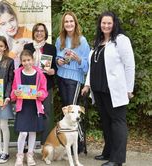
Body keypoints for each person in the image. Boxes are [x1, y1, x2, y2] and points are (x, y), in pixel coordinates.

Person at [81, 11, 135, 166]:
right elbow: (92, 66)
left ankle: (117, 160)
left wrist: (129, 88)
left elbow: (129, 65)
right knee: (106, 122)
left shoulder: (121, 40)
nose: (106, 25)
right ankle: (108, 152)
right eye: (103, 23)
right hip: (99, 89)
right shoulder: (98, 41)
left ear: (114, 23)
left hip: (115, 90)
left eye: (109, 23)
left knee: (118, 122)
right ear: (100, 24)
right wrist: (87, 84)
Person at [10, 50, 48, 166]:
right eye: (24, 60)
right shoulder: (17, 73)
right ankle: (20, 155)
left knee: (32, 132)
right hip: (23, 106)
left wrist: (41, 94)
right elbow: (13, 90)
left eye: (28, 60)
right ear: (21, 62)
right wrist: (15, 93)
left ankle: (30, 155)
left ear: (33, 60)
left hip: (34, 107)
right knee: (23, 133)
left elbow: (43, 90)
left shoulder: (40, 74)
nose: (26, 63)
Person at [24, 23, 57, 147]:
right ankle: (29, 144)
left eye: (42, 31)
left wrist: (53, 71)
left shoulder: (51, 48)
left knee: (46, 113)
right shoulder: (27, 47)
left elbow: (55, 67)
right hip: (30, 85)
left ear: (45, 33)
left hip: (46, 85)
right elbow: (23, 65)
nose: (39, 33)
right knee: (30, 112)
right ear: (33, 32)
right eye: (37, 31)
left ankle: (46, 143)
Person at [55, 11, 90, 106]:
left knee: (71, 110)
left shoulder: (82, 41)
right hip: (61, 77)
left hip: (74, 79)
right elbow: (56, 57)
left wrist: (78, 59)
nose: (69, 24)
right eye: (66, 21)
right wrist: (58, 61)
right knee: (65, 108)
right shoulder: (59, 39)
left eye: (71, 21)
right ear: (63, 24)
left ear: (75, 23)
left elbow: (87, 66)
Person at [0, 1, 32, 69]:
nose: (10, 26)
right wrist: (14, 51)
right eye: (3, 24)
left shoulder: (26, 33)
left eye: (11, 20)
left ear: (15, 16)